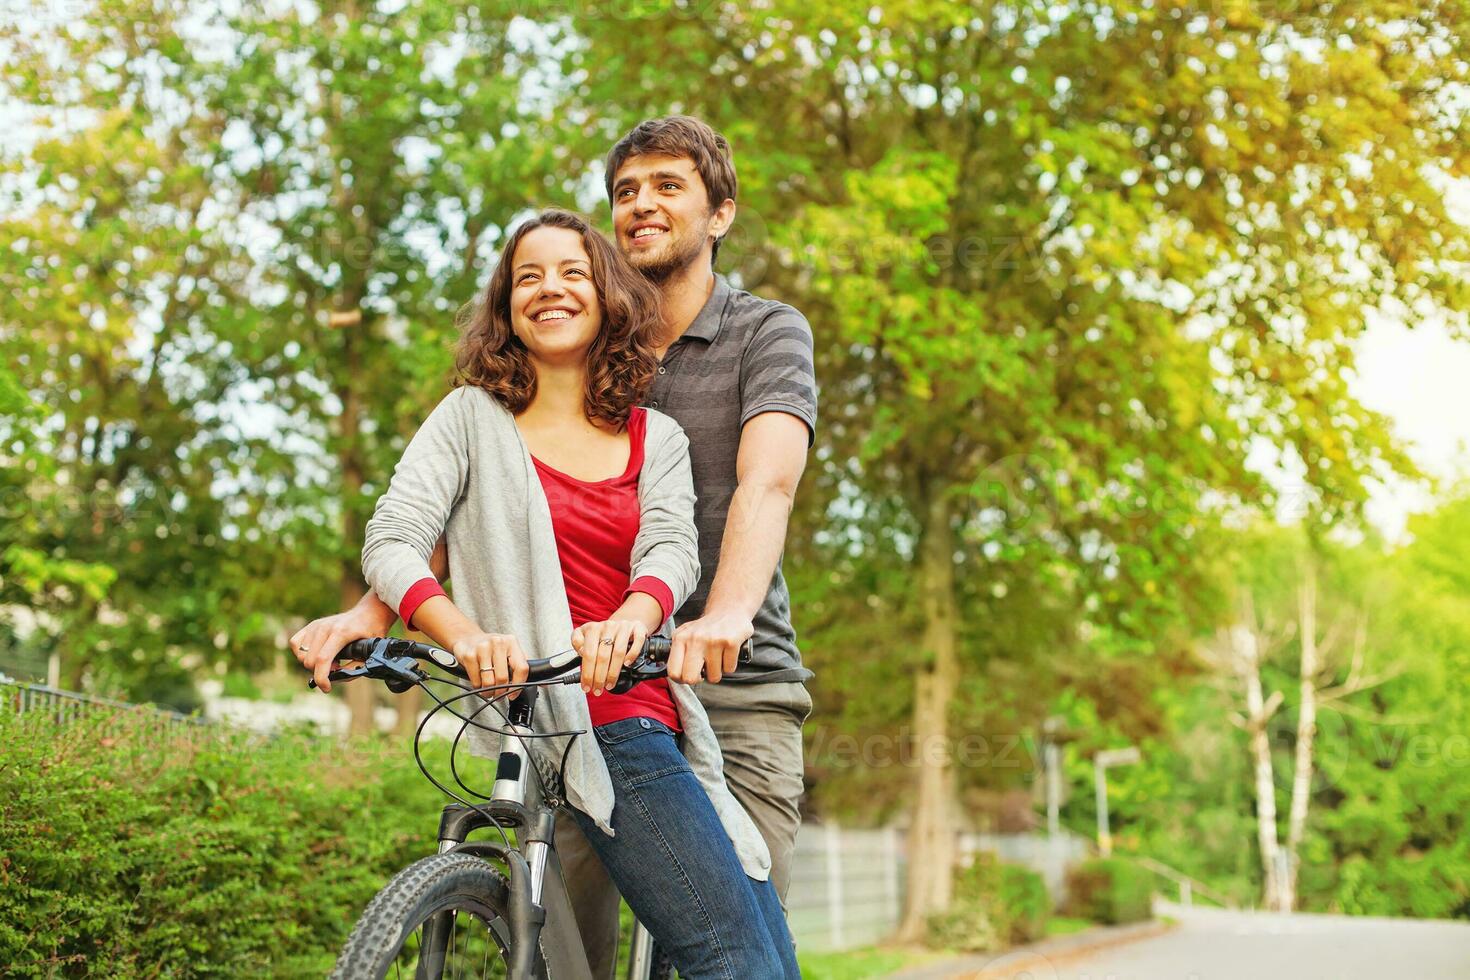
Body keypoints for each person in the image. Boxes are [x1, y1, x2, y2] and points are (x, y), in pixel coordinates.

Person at [291, 116, 818, 976]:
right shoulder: (513, 394)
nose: (641, 205)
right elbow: (473, 516)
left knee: (737, 940)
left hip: (732, 676)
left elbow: (760, 489)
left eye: (668, 186)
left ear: (721, 213)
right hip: (561, 695)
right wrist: (375, 612)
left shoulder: (756, 339)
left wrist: (717, 616)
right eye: (625, 192)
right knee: (574, 942)